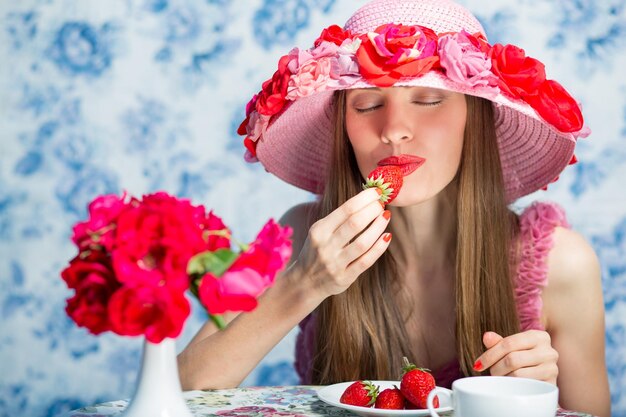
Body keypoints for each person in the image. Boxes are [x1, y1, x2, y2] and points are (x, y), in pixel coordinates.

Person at [177, 1, 611, 415]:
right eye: (367, 104)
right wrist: (303, 285)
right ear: (342, 127)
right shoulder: (303, 236)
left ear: (473, 119)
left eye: (428, 100)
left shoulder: (562, 265)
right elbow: (183, 389)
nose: (395, 131)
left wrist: (536, 401)